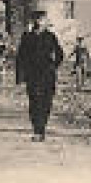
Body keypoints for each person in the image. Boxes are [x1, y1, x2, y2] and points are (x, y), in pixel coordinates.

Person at [15, 10, 65, 140]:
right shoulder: (27, 37)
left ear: (45, 22)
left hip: (47, 74)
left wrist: (54, 66)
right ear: (33, 21)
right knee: (34, 101)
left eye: (42, 20)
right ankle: (38, 129)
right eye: (37, 19)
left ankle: (42, 127)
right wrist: (20, 77)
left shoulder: (50, 36)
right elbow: (20, 57)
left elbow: (60, 53)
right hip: (32, 74)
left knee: (47, 101)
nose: (39, 22)